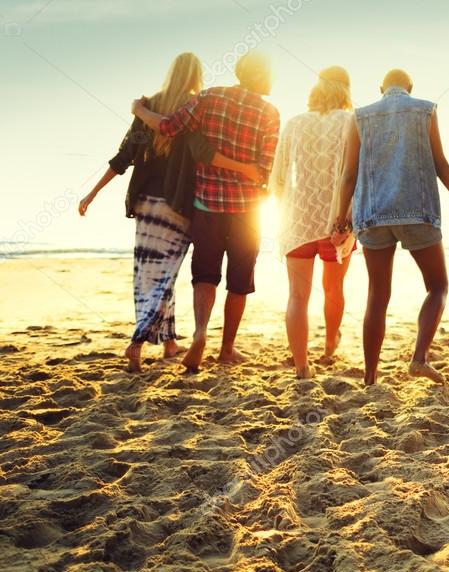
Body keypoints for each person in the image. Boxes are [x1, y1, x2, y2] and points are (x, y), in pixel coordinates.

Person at [78, 52, 262, 373]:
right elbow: (202, 152)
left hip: (146, 204)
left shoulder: (148, 104)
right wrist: (247, 170)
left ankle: (169, 342)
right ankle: (136, 343)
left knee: (150, 273)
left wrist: (92, 193)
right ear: (195, 77)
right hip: (179, 204)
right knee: (167, 274)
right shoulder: (195, 108)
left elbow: (124, 157)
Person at [331, 69, 449, 386]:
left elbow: (349, 174)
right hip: (418, 212)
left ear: (380, 88)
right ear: (410, 88)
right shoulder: (425, 109)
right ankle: (419, 358)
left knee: (377, 295)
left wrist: (340, 219)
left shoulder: (359, 116)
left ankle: (370, 377)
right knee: (438, 286)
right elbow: (440, 163)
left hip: (372, 215)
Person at [131, 50, 280, 373]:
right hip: (247, 210)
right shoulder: (269, 112)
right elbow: (265, 167)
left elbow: (169, 127)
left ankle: (200, 333)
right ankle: (226, 348)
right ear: (261, 76)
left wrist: (140, 109)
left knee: (205, 274)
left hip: (207, 205)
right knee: (239, 280)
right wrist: (249, 172)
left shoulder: (209, 97)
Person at [270, 66, 356, 379]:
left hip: (298, 223)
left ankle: (302, 366)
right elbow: (355, 175)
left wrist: (286, 212)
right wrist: (350, 219)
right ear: (345, 90)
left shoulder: (294, 124)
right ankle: (331, 343)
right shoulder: (351, 122)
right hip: (337, 224)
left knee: (297, 295)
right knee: (333, 289)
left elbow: (277, 179)